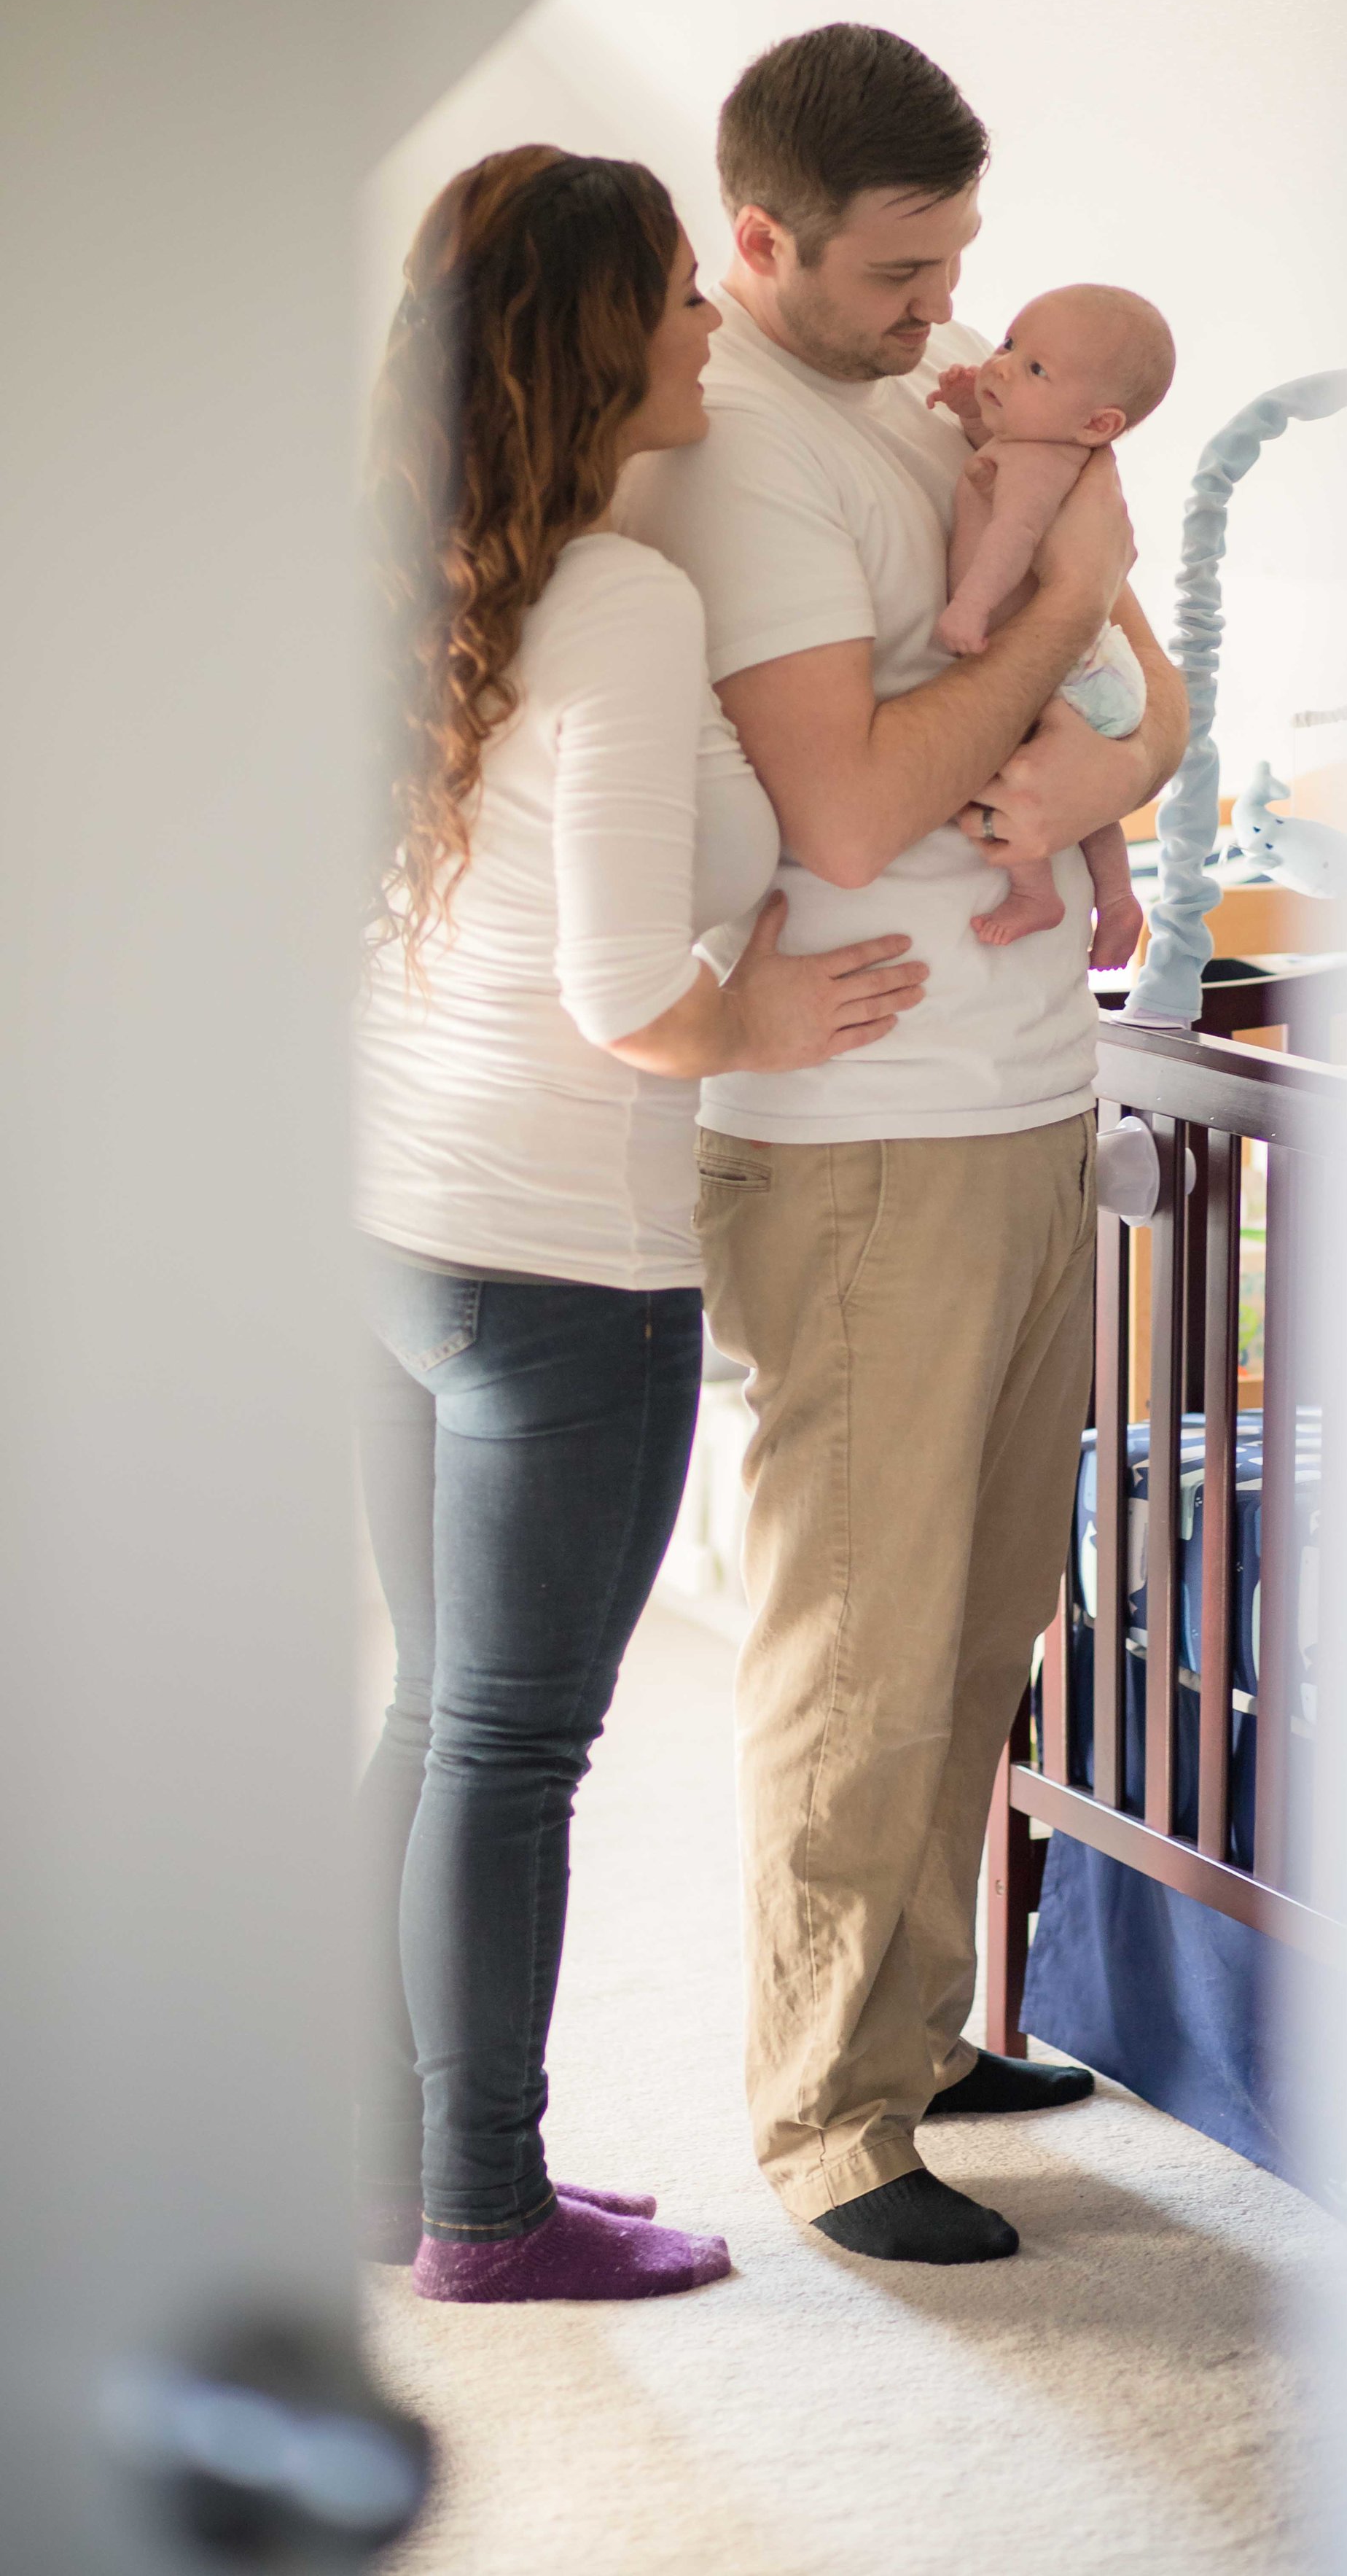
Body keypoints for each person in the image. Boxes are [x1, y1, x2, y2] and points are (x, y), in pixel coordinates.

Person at [615, 25, 1188, 2265]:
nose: (939, 304)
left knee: (971, 1627)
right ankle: (828, 2118)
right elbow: (852, 806)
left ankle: (918, 2024)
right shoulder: (742, 446)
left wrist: (1103, 746)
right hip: (858, 1130)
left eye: (957, 259)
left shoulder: (938, 362)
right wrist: (1063, 615)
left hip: (1015, 1085)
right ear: (756, 238)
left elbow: (1149, 692)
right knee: (854, 1647)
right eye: (890, 272)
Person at [354, 144, 926, 2304]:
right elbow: (618, 992)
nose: (705, 326)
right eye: (677, 294)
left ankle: (379, 2165)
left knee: (435, 1719)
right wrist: (752, 1006)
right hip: (551, 1263)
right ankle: (487, 2209)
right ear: (601, 331)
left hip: (392, 1218)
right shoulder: (619, 596)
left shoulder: (417, 568)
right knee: (512, 1742)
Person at [929, 282, 1175, 958]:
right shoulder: (1038, 445)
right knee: (1082, 798)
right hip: (1100, 667)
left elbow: (1012, 535)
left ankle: (1038, 895)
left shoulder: (1039, 465)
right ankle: (1120, 903)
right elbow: (992, 450)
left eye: (1034, 369)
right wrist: (969, 412)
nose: (1001, 364)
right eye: (1009, 344)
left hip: (1071, 667)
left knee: (1010, 772)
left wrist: (970, 607)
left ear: (1098, 424)